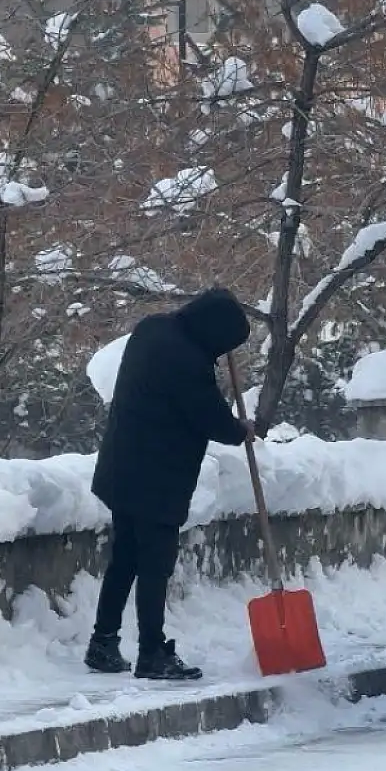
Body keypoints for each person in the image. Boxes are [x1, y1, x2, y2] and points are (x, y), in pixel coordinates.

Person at [84, 287, 253, 680]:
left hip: (122, 466)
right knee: (155, 567)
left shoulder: (153, 329)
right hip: (157, 477)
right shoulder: (187, 361)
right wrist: (240, 429)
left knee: (125, 558)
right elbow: (210, 418)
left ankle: (103, 642)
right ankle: (152, 654)